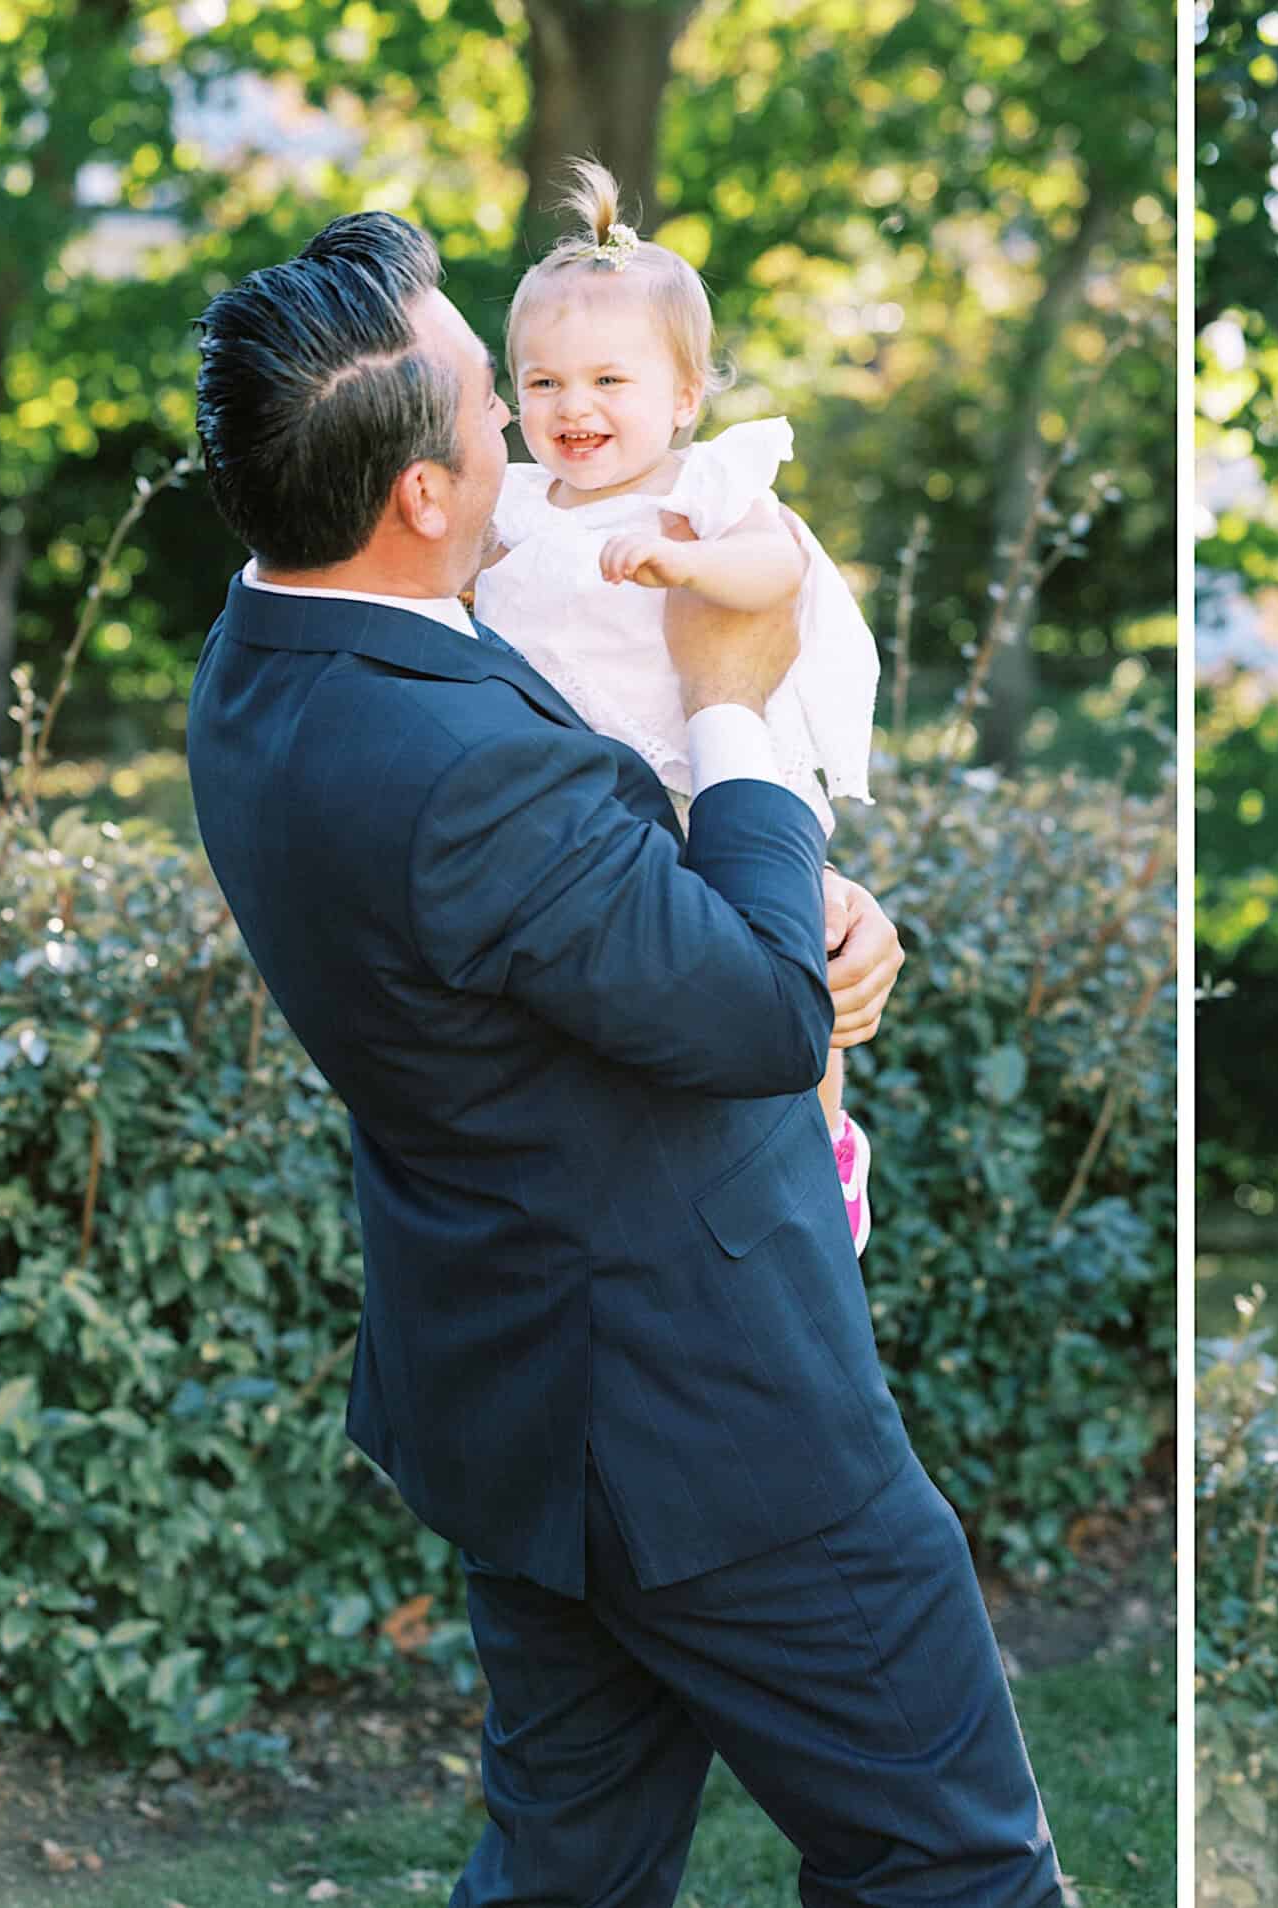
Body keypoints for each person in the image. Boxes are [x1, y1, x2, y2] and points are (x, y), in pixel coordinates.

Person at [186, 210, 1066, 1908]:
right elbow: (755, 1019)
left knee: (567, 1868)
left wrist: (787, 875)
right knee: (954, 1862)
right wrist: (738, 716)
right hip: (707, 1407)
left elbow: (578, 917)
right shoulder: (446, 758)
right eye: (484, 402)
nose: (521, 426)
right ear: (422, 495)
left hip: (515, 1382)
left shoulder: (278, 648)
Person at [479, 160, 882, 1252]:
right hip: (591, 802)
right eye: (545, 383)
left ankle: (825, 1149)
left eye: (611, 382)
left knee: (786, 964)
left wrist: (683, 566)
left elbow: (776, 581)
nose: (575, 408)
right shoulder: (513, 506)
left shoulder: (705, 489)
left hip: (709, 771)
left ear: (685, 397)